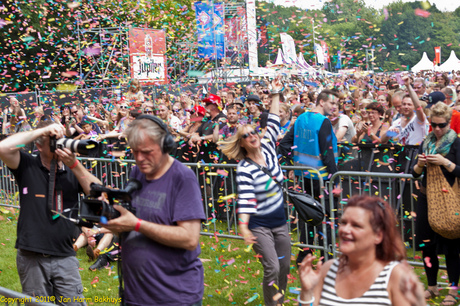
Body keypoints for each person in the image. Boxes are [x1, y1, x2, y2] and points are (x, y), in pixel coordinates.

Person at [101, 115, 205, 306]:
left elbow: (189, 238)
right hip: (135, 295)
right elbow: (135, 218)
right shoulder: (137, 172)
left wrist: (137, 225)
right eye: (135, 152)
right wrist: (113, 218)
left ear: (165, 146)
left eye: (147, 152)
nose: (139, 159)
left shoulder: (183, 178)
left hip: (173, 298)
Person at [0, 120, 102, 305]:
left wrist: (75, 165)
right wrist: (43, 131)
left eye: (62, 138)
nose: (60, 143)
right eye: (55, 139)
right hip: (32, 256)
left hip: (64, 254)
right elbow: (4, 147)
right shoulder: (27, 165)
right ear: (39, 143)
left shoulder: (72, 170)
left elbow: (99, 193)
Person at [219, 78, 290, 306]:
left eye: (253, 132)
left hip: (280, 221)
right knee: (272, 266)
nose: (252, 136)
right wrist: (242, 226)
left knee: (285, 266)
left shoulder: (269, 147)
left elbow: (275, 121)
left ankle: (278, 299)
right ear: (242, 144)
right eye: (246, 136)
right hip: (259, 224)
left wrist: (276, 93)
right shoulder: (244, 168)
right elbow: (247, 198)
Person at [297, 195, 426, 306]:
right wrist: (307, 292)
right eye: (344, 222)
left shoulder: (395, 276)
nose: (345, 230)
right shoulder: (328, 269)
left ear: (378, 235)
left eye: (356, 225)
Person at [279, 89, 341, 265]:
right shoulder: (323, 122)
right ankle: (326, 258)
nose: (334, 107)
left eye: (336, 104)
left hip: (304, 177)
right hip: (323, 179)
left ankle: (304, 255)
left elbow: (284, 144)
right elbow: (328, 155)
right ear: (321, 102)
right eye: (332, 103)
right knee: (327, 219)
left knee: (307, 216)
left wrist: (294, 164)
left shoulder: (300, 119)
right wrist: (336, 180)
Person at [412, 102, 460, 306]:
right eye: (434, 125)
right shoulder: (427, 141)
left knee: (451, 245)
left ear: (449, 123)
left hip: (449, 198)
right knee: (426, 244)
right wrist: (420, 164)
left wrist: (444, 162)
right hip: (426, 197)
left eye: (442, 125)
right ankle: (432, 286)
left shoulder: (456, 142)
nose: (438, 129)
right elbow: (415, 173)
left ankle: (453, 289)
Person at [382, 78, 427, 145]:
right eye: (404, 104)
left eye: (409, 104)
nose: (406, 107)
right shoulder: (396, 121)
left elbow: (418, 106)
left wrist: (408, 86)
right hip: (401, 153)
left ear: (414, 106)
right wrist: (388, 132)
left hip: (416, 153)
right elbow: (382, 140)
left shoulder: (418, 118)